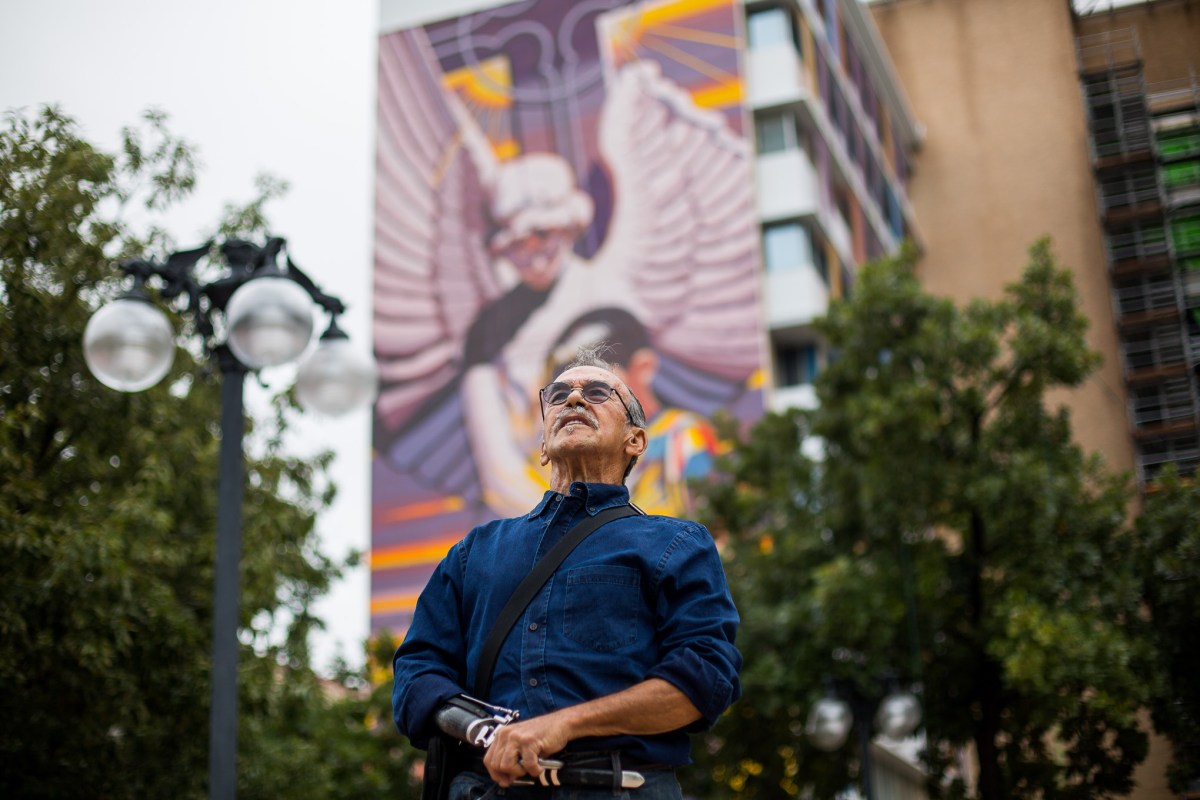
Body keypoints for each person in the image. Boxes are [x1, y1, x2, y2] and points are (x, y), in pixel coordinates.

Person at [392, 345, 743, 800]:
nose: (573, 400)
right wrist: (483, 731)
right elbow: (417, 672)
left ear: (636, 440)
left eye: (598, 392)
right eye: (557, 396)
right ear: (542, 444)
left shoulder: (677, 544)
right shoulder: (474, 551)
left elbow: (705, 680)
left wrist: (561, 725)